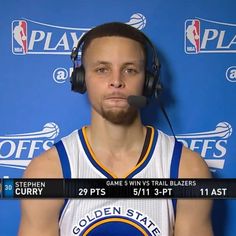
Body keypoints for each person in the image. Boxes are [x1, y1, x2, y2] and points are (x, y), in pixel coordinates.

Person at [18, 22, 213, 236]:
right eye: (102, 70)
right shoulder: (48, 172)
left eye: (130, 70)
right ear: (81, 79)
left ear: (148, 82)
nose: (116, 81)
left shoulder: (187, 170)